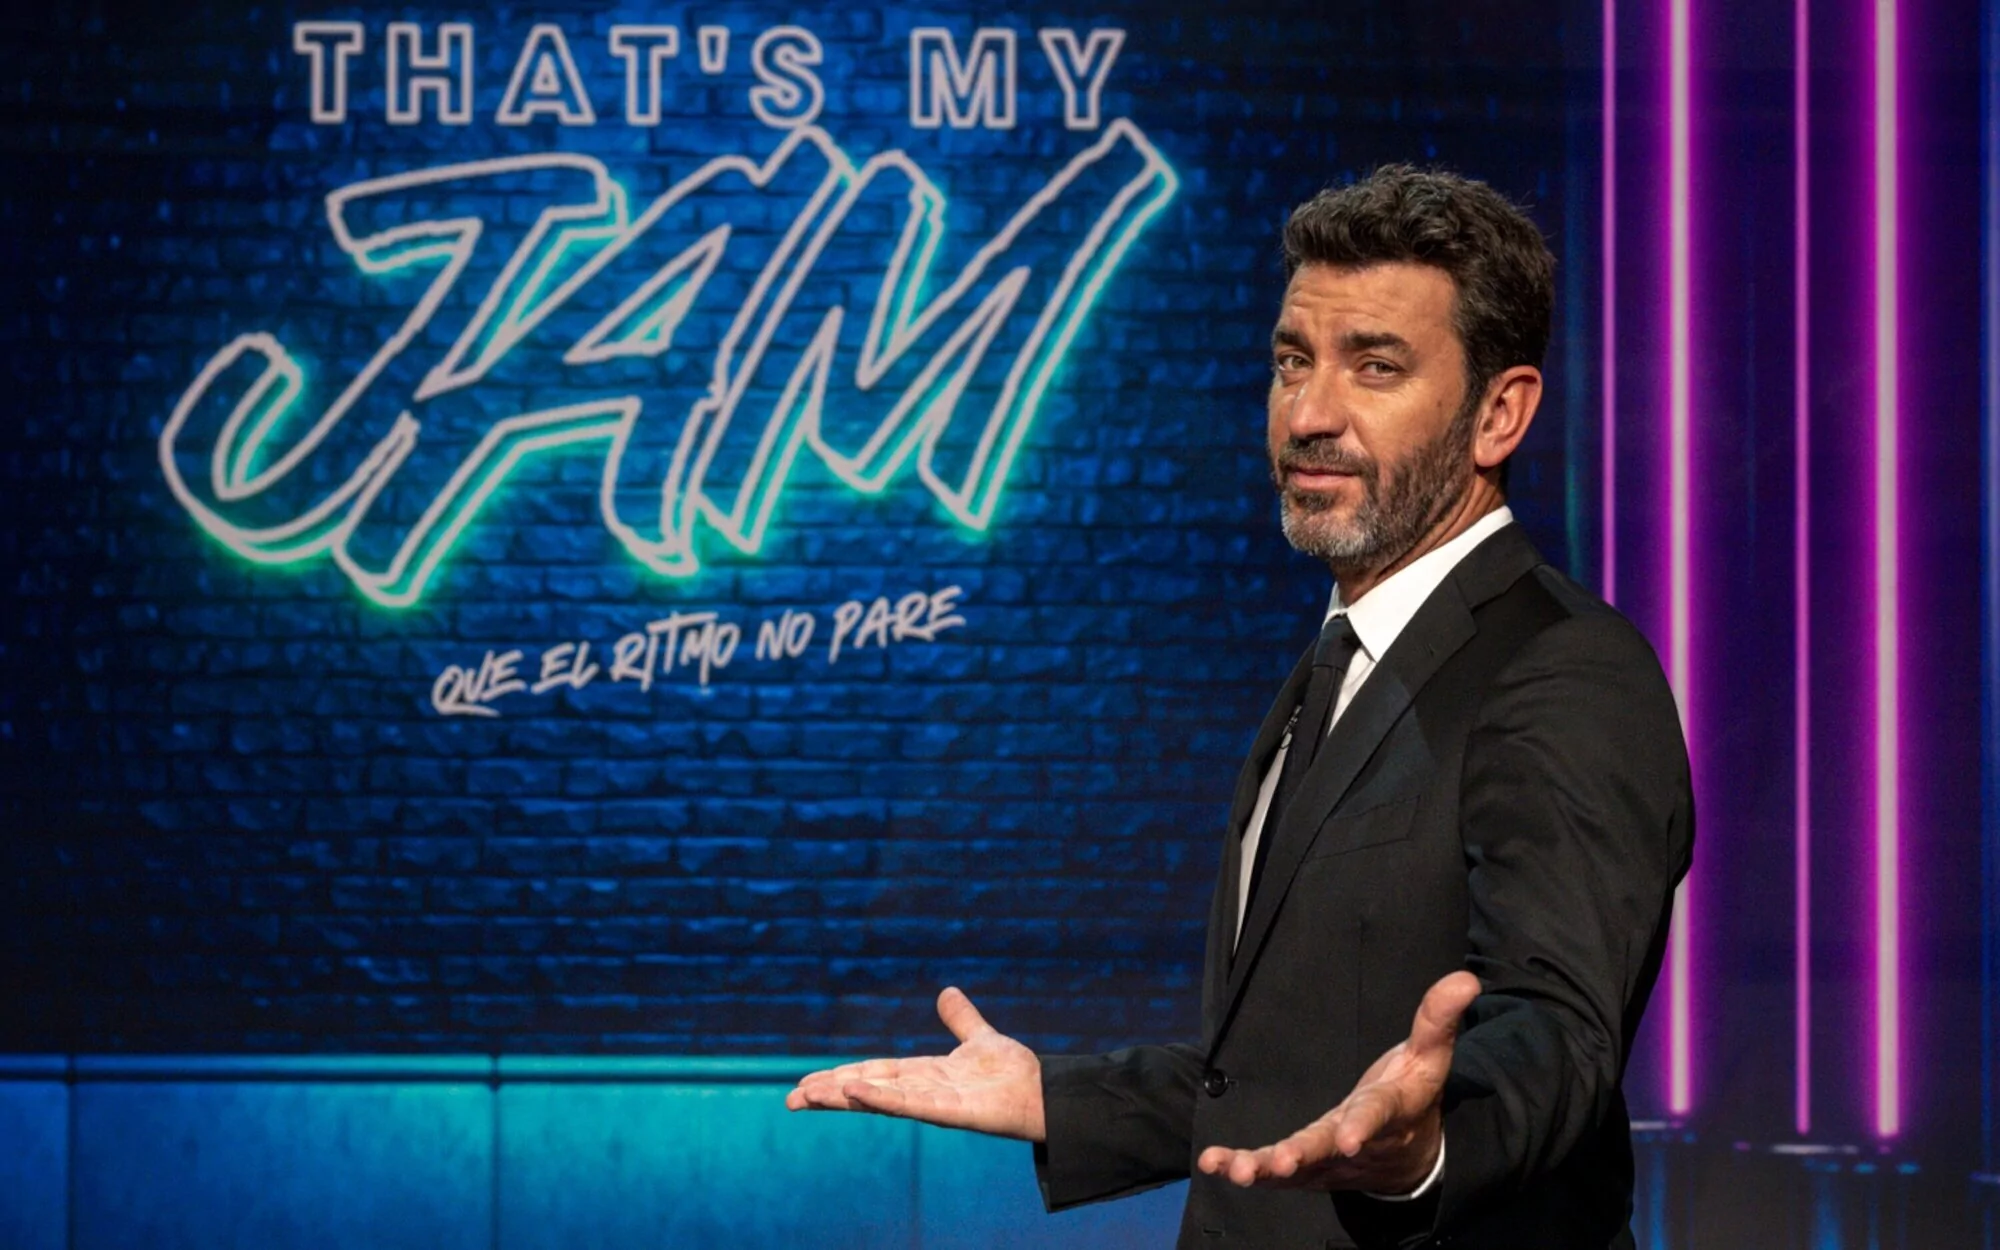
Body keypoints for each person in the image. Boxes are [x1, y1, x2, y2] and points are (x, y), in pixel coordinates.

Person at [788, 165, 1694, 1250]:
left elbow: (1554, 1028)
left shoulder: (1563, 670)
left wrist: (1429, 1145)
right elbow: (1284, 1065)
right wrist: (1060, 1100)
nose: (1309, 414)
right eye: (1291, 361)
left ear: (1497, 413)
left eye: (1375, 366)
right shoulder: (1344, 657)